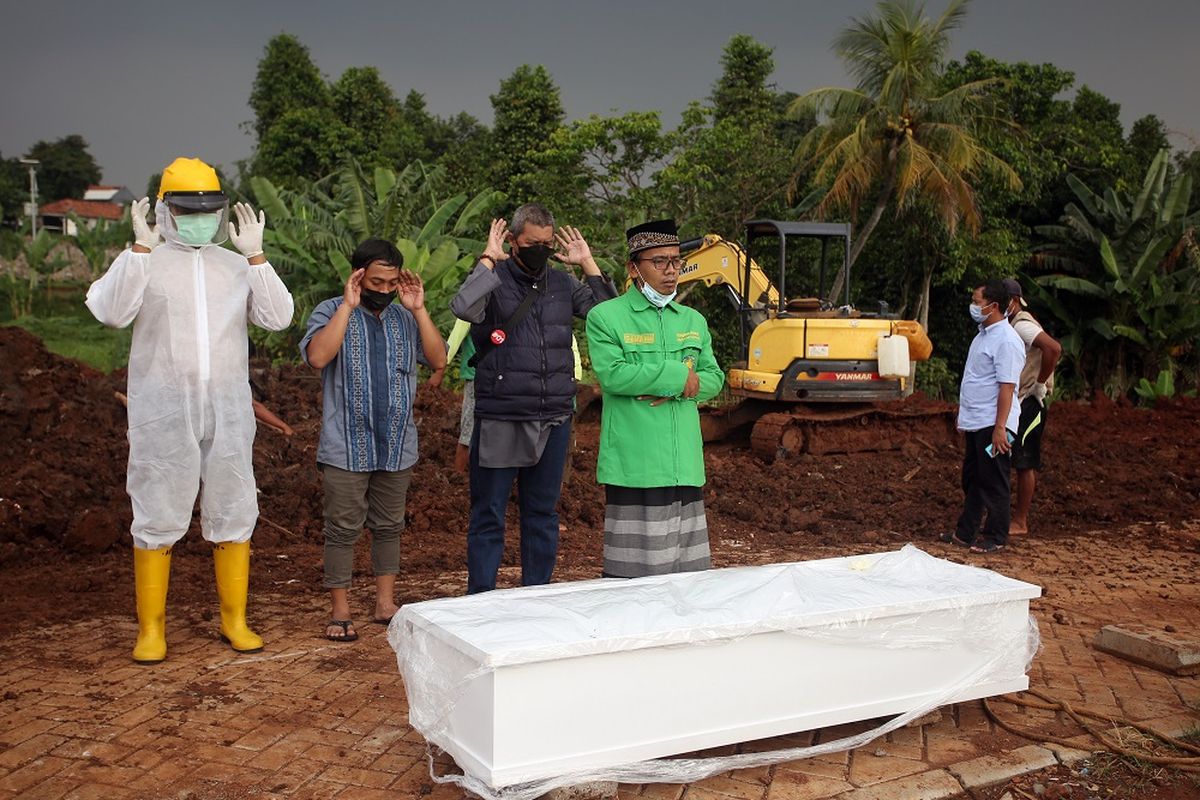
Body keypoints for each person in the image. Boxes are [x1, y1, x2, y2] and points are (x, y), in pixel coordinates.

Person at [85, 157, 294, 663]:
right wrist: (138, 249)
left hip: (227, 411)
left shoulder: (234, 265)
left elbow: (279, 317)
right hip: (164, 412)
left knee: (234, 507)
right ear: (165, 210)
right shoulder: (145, 262)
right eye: (186, 209)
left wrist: (257, 258)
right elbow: (110, 313)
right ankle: (151, 629)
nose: (198, 218)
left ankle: (234, 620)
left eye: (208, 209)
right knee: (156, 509)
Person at [451, 204, 617, 593]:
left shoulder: (561, 284)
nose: (540, 250)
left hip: (554, 415)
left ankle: (536, 596)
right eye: (531, 243)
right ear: (512, 241)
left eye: (546, 243)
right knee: (489, 513)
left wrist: (589, 264)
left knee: (542, 513)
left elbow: (611, 318)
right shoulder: (494, 279)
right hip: (502, 415)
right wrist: (487, 261)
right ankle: (481, 600)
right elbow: (464, 307)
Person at [300, 239, 447, 641]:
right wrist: (348, 306)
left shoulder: (404, 318)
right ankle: (341, 609)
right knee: (342, 528)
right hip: (346, 445)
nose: (383, 291)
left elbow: (438, 360)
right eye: (375, 282)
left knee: (388, 526)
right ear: (358, 276)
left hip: (397, 444)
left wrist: (419, 310)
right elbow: (317, 357)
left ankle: (385, 603)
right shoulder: (331, 311)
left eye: (391, 283)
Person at [586, 219, 725, 578]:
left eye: (676, 261)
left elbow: (714, 379)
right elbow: (614, 375)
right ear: (634, 268)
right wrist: (679, 377)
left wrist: (677, 384)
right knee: (635, 581)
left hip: (685, 465)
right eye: (659, 262)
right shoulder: (606, 317)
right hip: (637, 463)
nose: (671, 271)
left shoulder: (693, 320)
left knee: (688, 579)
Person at [940, 279, 1026, 554]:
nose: (974, 307)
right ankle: (965, 533)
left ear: (994, 306)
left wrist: (1000, 427)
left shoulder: (1007, 341)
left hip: (994, 423)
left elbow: (1007, 387)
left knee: (993, 481)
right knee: (973, 478)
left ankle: (996, 537)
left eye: (977, 302)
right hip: (978, 420)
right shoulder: (983, 335)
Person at [1003, 278, 1062, 536]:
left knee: (1024, 461)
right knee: (1009, 456)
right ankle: (1007, 514)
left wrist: (1040, 384)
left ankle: (1020, 521)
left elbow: (1053, 348)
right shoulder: (1010, 324)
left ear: (1013, 302)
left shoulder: (1023, 325)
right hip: (1018, 401)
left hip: (1030, 401)